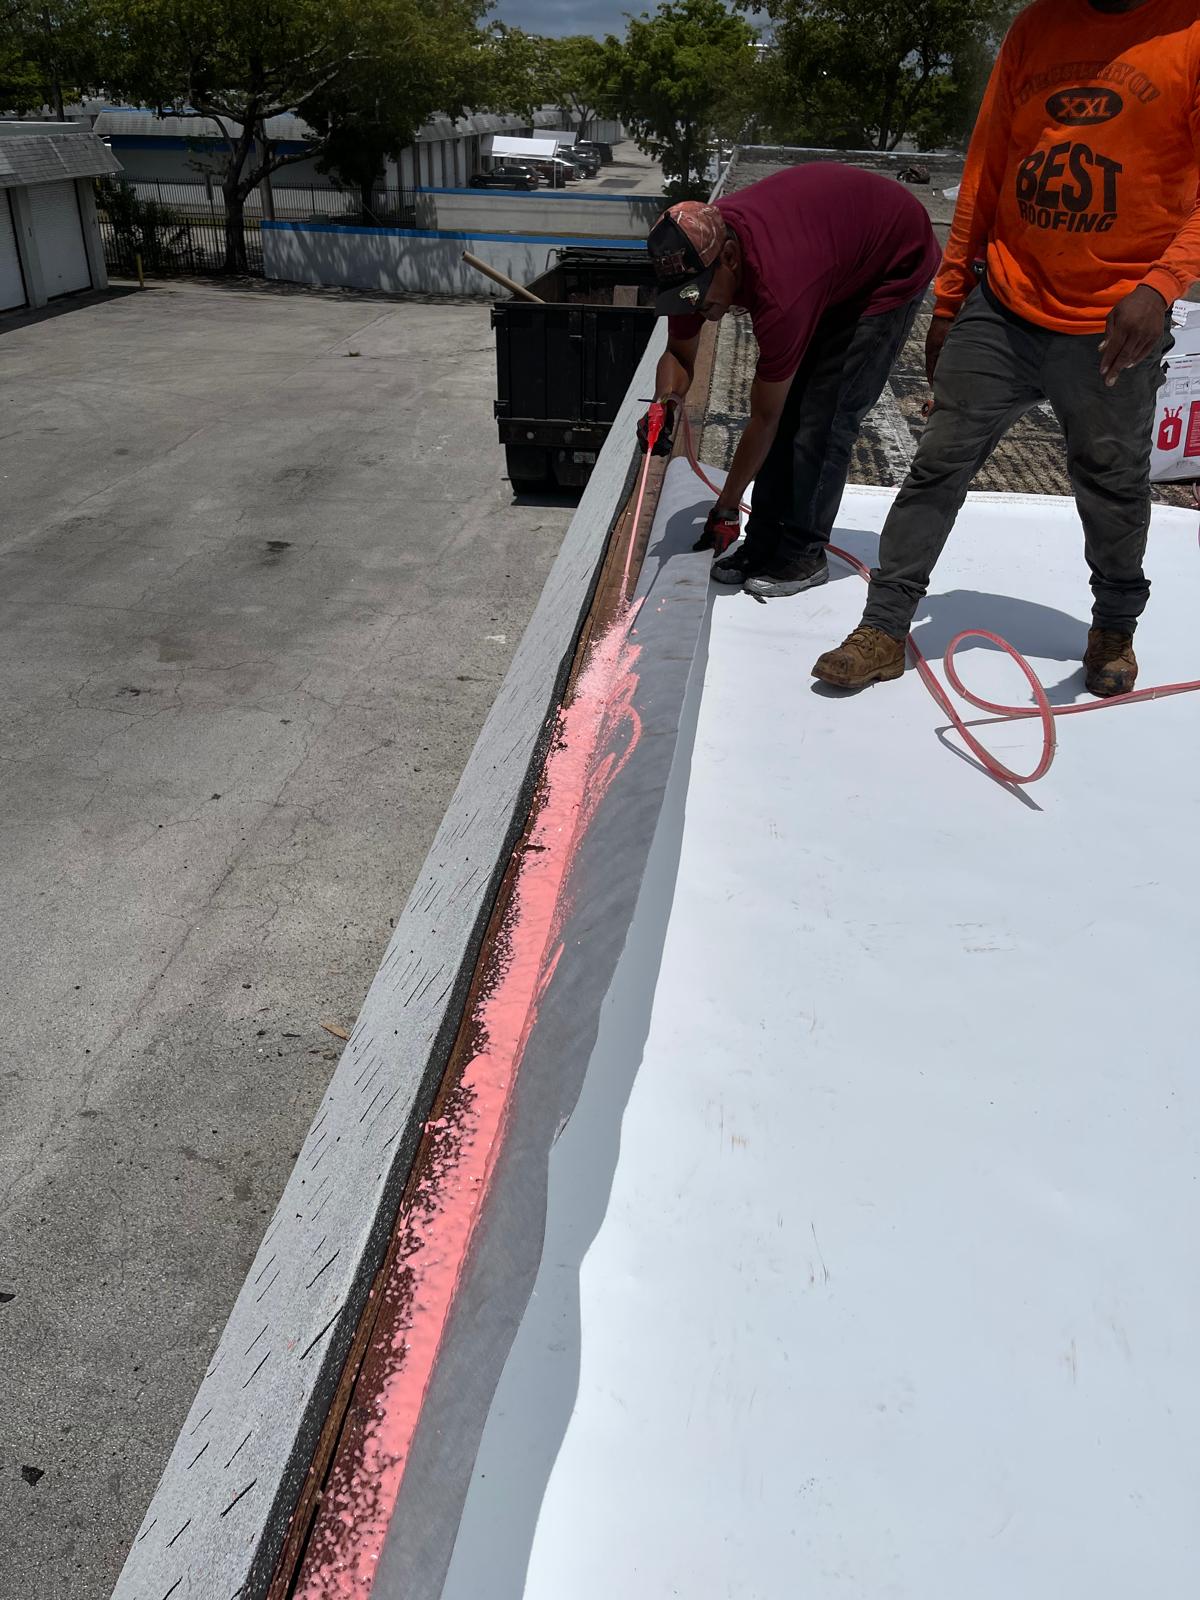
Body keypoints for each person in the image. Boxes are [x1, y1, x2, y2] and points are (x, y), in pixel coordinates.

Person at [812, 0, 1200, 697]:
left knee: (1111, 485)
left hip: (1116, 319)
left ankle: (1114, 627)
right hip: (1006, 302)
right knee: (937, 465)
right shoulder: (1037, 25)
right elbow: (988, 164)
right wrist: (951, 298)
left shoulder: (1191, 32)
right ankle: (884, 627)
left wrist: (1161, 286)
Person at [640, 167, 941, 597]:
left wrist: (726, 506)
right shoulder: (692, 263)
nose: (696, 308)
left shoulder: (780, 289)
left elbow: (765, 419)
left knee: (824, 415)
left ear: (728, 258)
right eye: (683, 299)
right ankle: (763, 542)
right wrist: (666, 401)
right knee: (798, 407)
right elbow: (679, 354)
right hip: (831, 251)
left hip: (889, 261)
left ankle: (803, 550)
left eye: (697, 298)